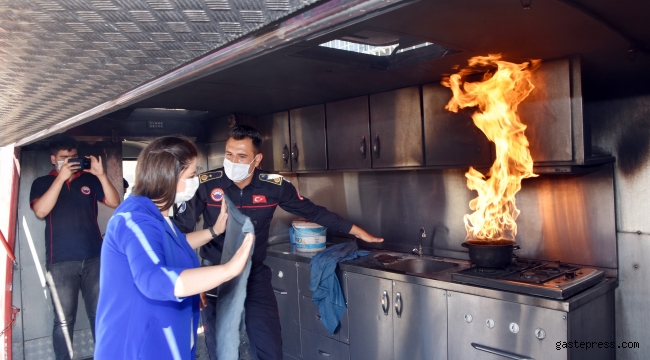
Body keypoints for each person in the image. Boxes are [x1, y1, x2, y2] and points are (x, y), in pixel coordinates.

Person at [174, 125, 383, 360]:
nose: (233, 161)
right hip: (213, 276)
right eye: (229, 154)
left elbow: (313, 211)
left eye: (242, 156)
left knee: (269, 347)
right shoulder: (206, 183)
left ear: (257, 159)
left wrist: (357, 231)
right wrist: (190, 277)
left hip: (254, 275)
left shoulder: (275, 186)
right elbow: (179, 232)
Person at [94, 136, 253, 360]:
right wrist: (228, 270)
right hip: (138, 348)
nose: (195, 182)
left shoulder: (159, 216)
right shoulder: (134, 219)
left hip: (168, 341)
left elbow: (176, 244)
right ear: (170, 176)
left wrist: (215, 230)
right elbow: (153, 279)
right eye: (191, 176)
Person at [29, 134, 120, 360]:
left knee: (100, 315)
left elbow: (115, 202)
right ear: (53, 159)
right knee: (63, 320)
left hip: (94, 259)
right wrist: (61, 178)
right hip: (60, 262)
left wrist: (101, 175)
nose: (69, 161)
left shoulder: (88, 180)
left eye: (72, 157)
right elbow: (41, 211)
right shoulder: (42, 182)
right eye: (63, 157)